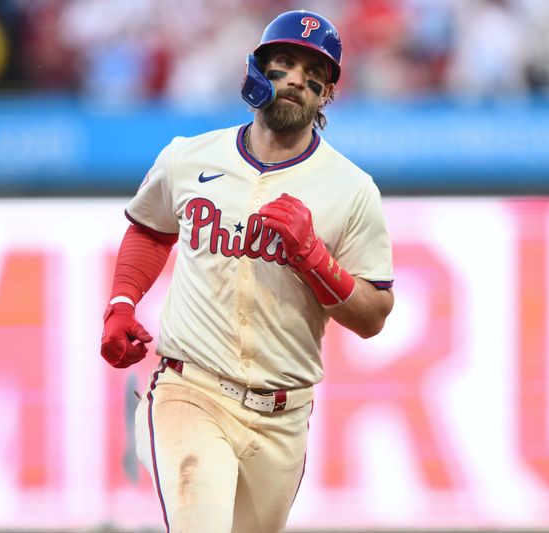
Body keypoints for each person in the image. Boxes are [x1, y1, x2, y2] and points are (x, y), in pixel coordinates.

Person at [100, 10, 394, 533]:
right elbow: (150, 228)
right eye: (284, 63)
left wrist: (317, 262)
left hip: (283, 416)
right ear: (256, 70)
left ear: (327, 94)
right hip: (192, 389)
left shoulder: (351, 190)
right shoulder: (189, 158)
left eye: (314, 73)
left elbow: (373, 314)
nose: (298, 79)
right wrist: (123, 301)